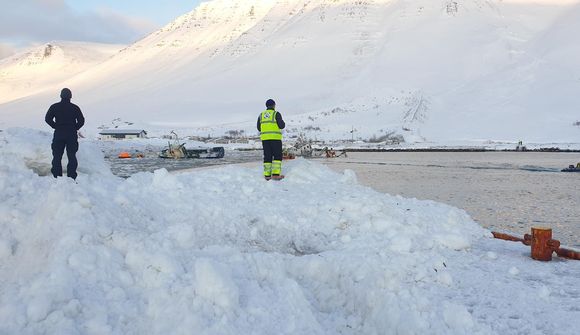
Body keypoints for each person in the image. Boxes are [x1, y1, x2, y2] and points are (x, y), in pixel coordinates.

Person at [45, 88, 85, 180]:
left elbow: (47, 119)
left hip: (59, 133)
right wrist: (75, 127)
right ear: (70, 96)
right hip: (71, 134)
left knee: (57, 156)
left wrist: (55, 126)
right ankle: (71, 177)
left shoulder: (54, 106)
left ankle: (57, 177)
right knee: (72, 156)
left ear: (61, 96)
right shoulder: (75, 107)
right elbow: (81, 120)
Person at [257, 99, 285, 180]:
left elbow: (259, 128)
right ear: (274, 105)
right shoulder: (276, 114)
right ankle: (276, 174)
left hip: (265, 139)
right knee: (277, 156)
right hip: (275, 138)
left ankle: (267, 175)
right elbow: (281, 126)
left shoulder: (261, 115)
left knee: (267, 156)